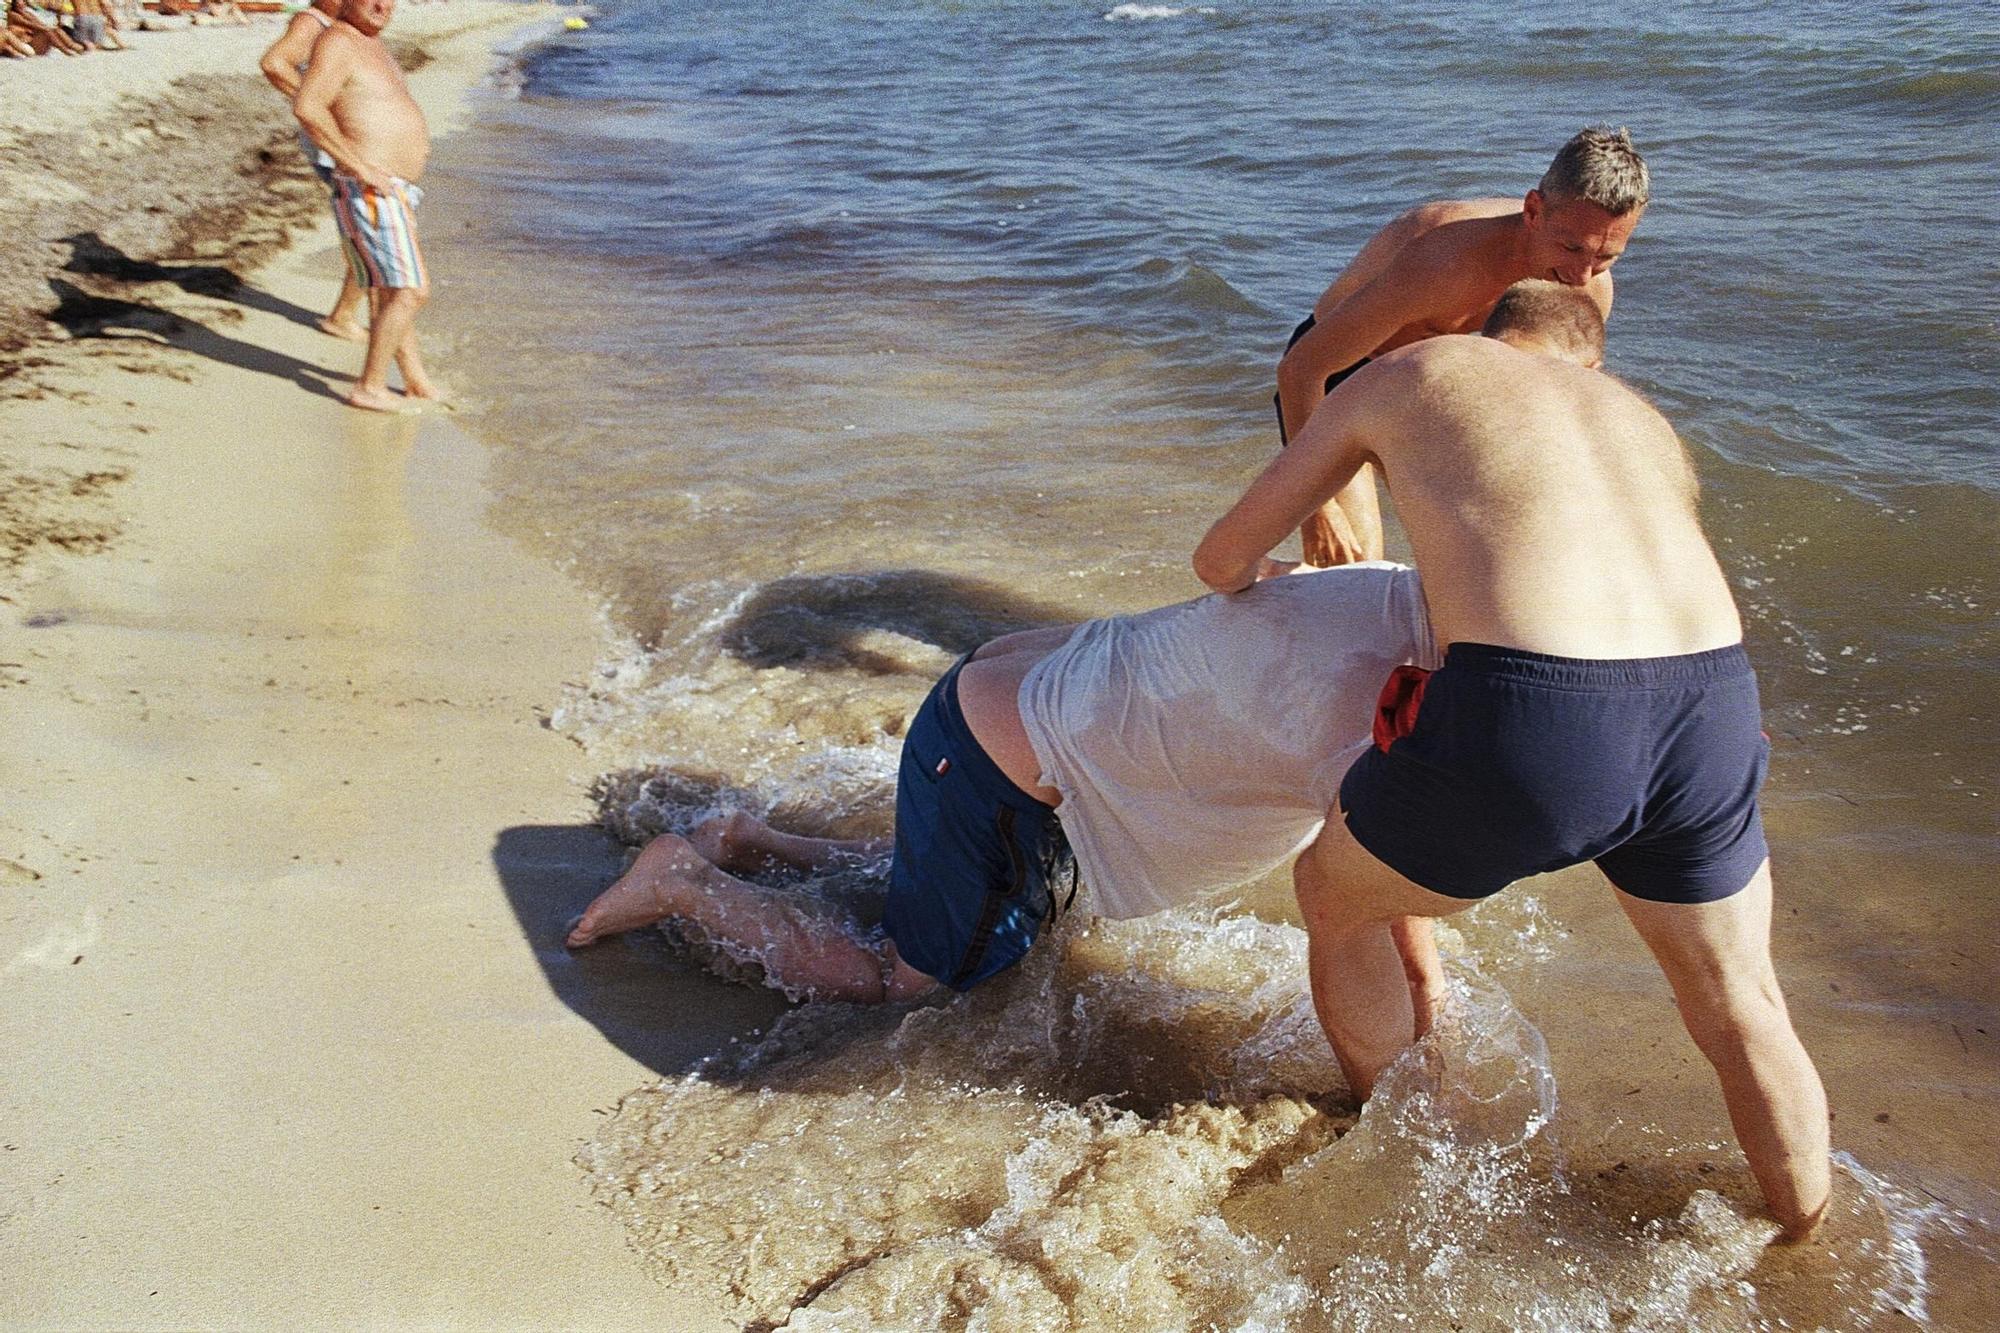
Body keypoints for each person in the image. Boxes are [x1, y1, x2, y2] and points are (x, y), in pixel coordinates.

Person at [1194, 279, 1830, 1241]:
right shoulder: (1641, 420)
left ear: (1488, 335)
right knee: (1742, 1000)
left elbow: (1222, 559)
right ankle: (1806, 1239)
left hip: (1539, 713)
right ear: (1590, 363)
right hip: (1715, 707)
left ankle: (1408, 1147)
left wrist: (1288, 582)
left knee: (1334, 892)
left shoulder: (1415, 369)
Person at [567, 560, 1444, 1012]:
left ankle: (752, 839)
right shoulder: (1408, 697)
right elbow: (1367, 882)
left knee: (963, 873)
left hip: (1005, 704)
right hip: (990, 758)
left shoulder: (1387, 590)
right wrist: (1421, 1017)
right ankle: (682, 879)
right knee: (901, 983)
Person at [1275, 127, 1648, 567]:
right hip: (1343, 377)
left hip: (1430, 388)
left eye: (1606, 257)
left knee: (1487, 556)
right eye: (1571, 248)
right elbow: (1301, 370)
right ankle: (1254, 589)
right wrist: (1316, 509)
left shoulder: (1589, 290)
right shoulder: (1441, 260)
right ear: (1533, 211)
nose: (1582, 276)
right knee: (1349, 563)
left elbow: (1566, 408)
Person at [292, 0, 444, 412]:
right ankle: (370, 387)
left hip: (393, 191)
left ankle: (414, 381)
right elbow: (307, 106)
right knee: (411, 291)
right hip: (370, 190)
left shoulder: (369, 42)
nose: (383, 5)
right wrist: (358, 164)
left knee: (394, 289)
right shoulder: (338, 41)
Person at [259, 0, 369, 342]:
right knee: (368, 228)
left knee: (366, 226)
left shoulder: (336, 24)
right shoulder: (313, 21)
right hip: (333, 145)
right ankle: (343, 316)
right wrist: (316, 100)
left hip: (342, 142)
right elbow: (275, 63)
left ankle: (347, 312)